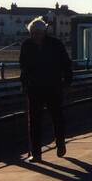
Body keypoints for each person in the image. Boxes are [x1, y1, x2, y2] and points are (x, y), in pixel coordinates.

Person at [19, 17, 73, 162]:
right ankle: (36, 154)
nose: (36, 35)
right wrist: (24, 84)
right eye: (34, 33)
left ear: (44, 32)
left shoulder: (56, 44)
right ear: (31, 33)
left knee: (57, 118)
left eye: (39, 32)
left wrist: (67, 82)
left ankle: (60, 143)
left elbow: (66, 64)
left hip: (53, 87)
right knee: (34, 122)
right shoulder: (27, 45)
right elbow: (23, 67)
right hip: (34, 88)